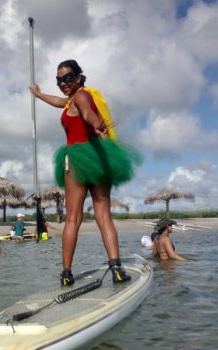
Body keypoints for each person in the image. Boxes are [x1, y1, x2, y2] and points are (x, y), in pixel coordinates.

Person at [30, 59, 142, 286]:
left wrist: (94, 123)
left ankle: (66, 274)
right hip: (99, 157)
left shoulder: (80, 96)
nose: (63, 83)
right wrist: (39, 95)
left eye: (68, 78)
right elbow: (61, 101)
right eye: (59, 80)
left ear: (79, 77)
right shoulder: (76, 97)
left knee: (73, 218)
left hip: (77, 161)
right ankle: (116, 269)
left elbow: (87, 112)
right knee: (103, 215)